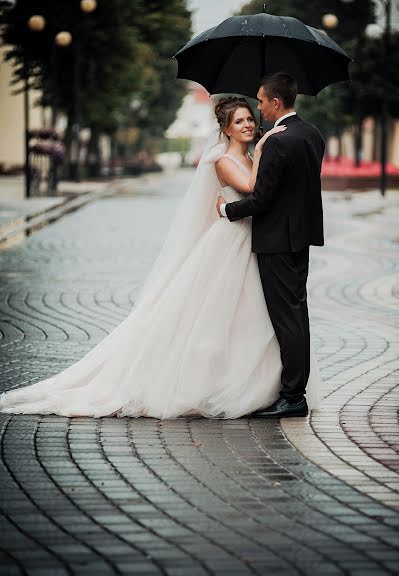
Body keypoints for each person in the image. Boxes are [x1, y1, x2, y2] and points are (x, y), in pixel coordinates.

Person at [0, 94, 321, 419]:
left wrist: (262, 155)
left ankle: (259, 383)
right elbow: (253, 187)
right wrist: (266, 150)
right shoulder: (221, 159)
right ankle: (217, 385)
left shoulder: (252, 155)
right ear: (225, 128)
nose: (249, 124)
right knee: (218, 314)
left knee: (253, 317)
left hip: (254, 241)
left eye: (250, 118)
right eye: (239, 121)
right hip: (230, 242)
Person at [217, 72, 325, 419]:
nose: (258, 108)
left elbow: (261, 200)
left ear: (276, 102)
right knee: (297, 312)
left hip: (276, 240)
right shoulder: (311, 134)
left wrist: (226, 209)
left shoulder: (278, 141)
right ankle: (294, 389)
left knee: (287, 318)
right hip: (300, 237)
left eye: (261, 102)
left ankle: (293, 395)